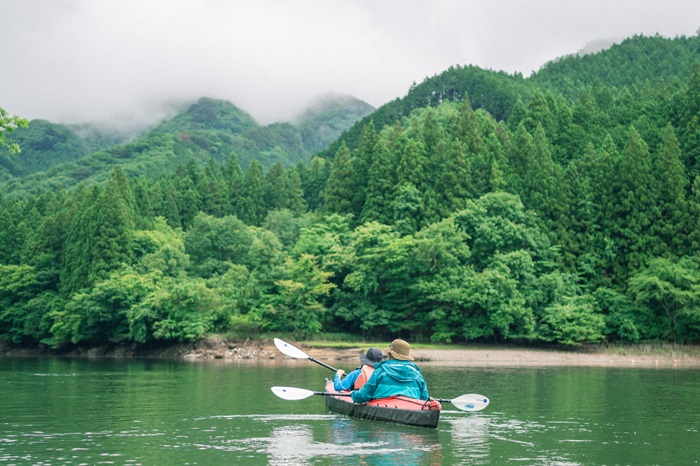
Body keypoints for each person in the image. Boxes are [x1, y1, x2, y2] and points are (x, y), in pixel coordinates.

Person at [350, 339, 429, 403]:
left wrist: (353, 394)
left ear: (390, 355)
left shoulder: (381, 371)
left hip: (382, 406)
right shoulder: (418, 374)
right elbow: (424, 399)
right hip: (412, 408)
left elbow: (363, 395)